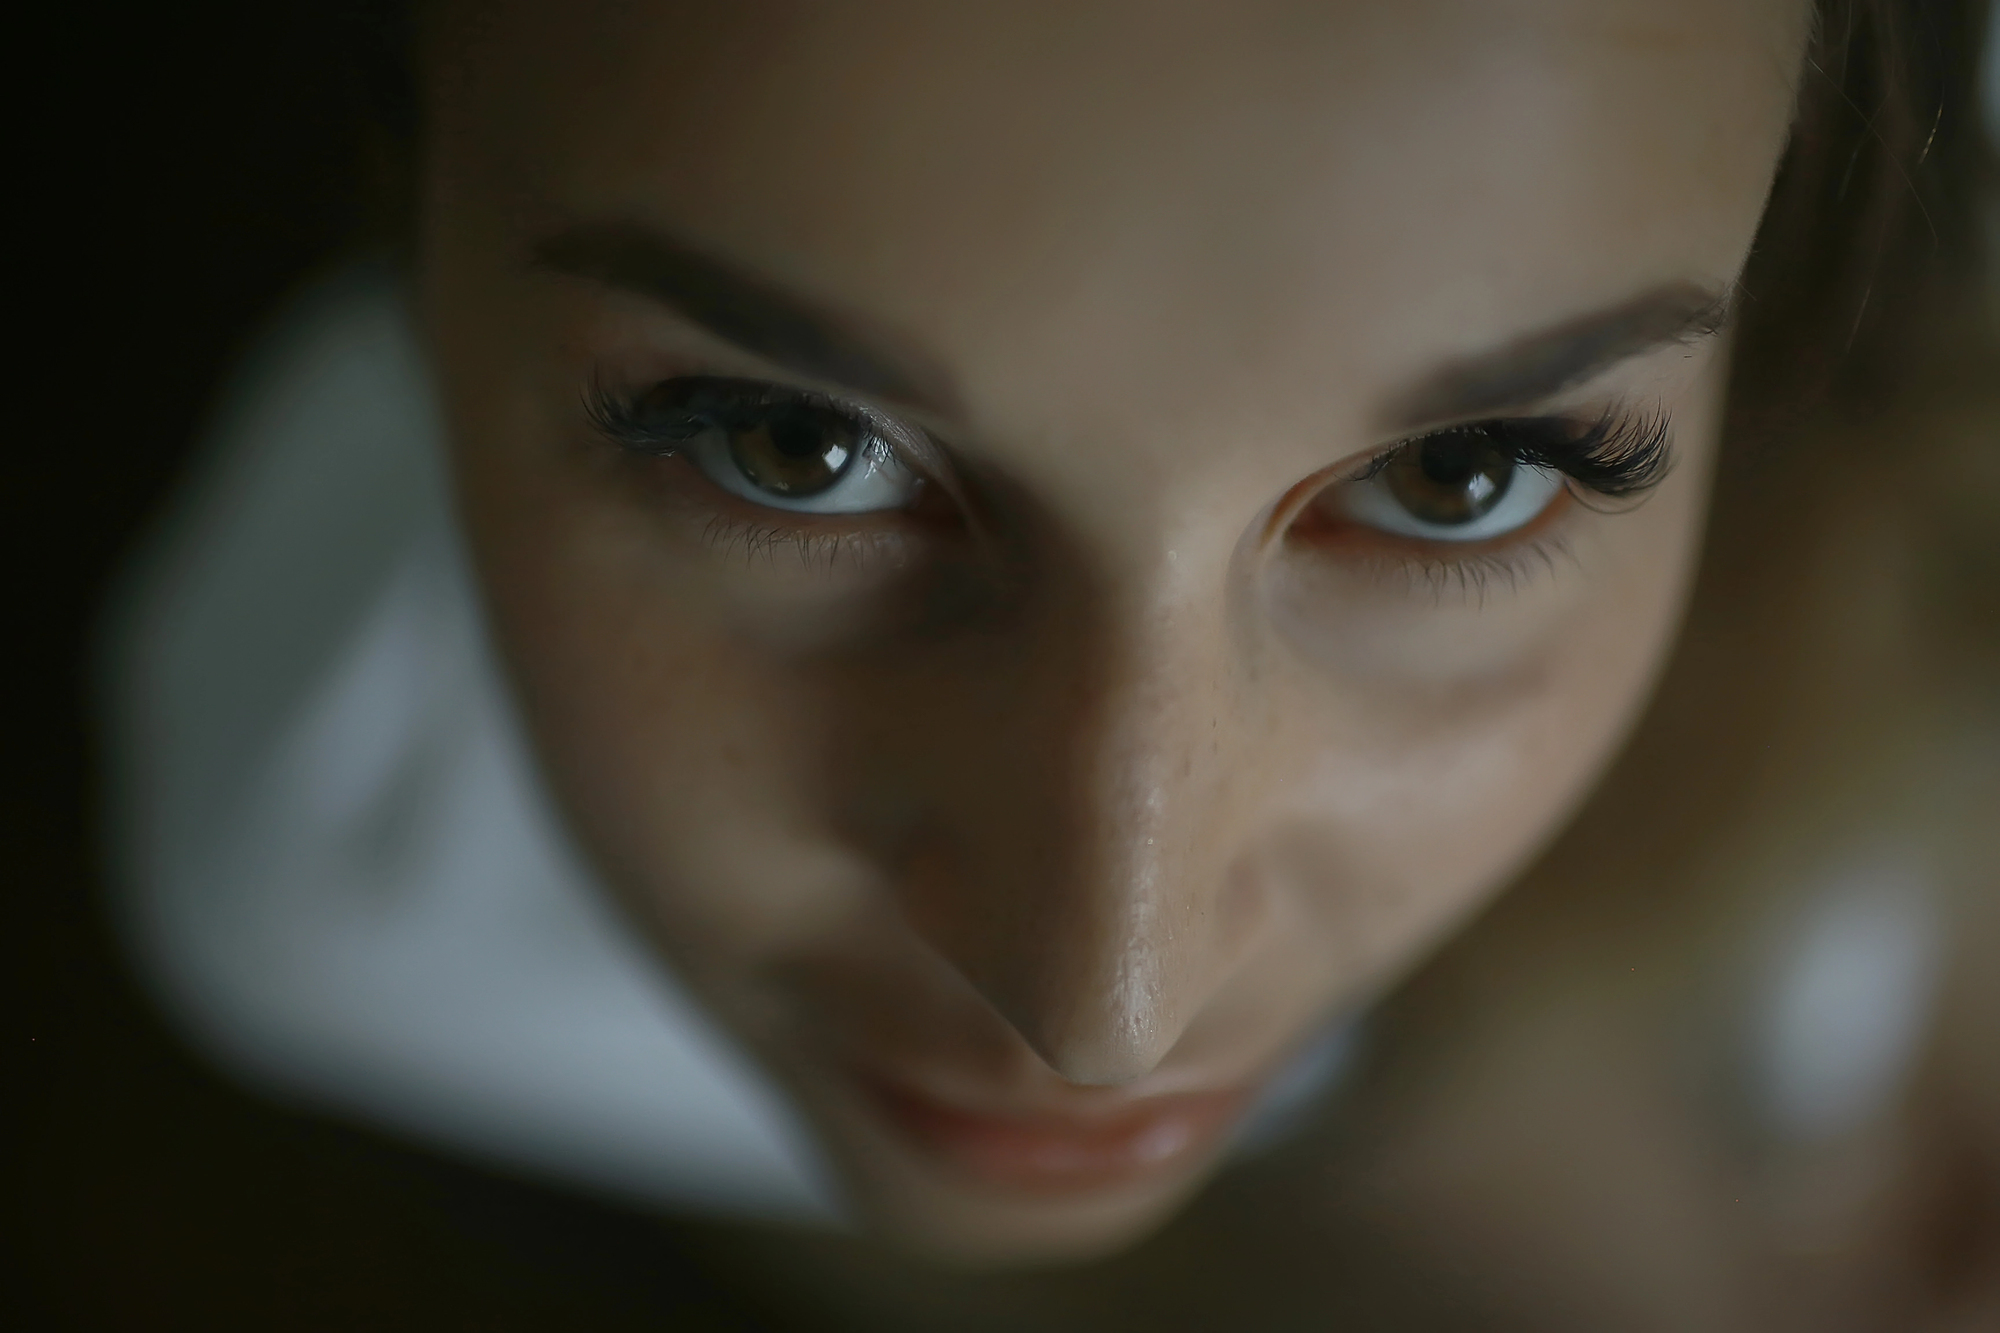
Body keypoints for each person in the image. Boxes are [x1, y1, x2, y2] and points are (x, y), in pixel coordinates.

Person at [109, 0, 1998, 1323]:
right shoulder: (378, 845)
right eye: (795, 446)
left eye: (1459, 475)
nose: (1109, 1009)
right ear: (413, 173)